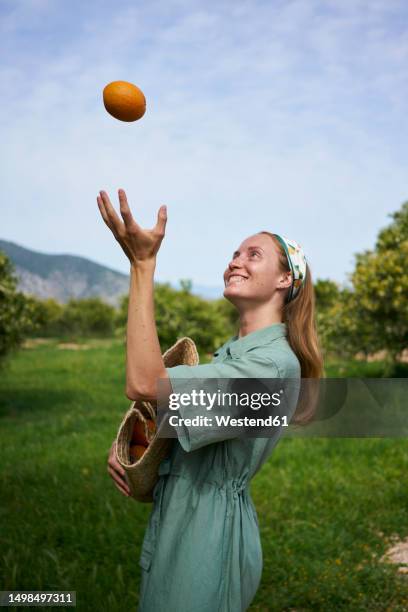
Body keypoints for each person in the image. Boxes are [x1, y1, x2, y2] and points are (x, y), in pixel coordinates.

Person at [97, 188, 324, 611]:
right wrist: (144, 456)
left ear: (284, 279)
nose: (235, 260)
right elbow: (191, 440)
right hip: (181, 524)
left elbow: (145, 384)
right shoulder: (234, 355)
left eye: (253, 255)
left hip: (208, 539)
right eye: (234, 253)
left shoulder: (271, 369)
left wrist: (142, 265)